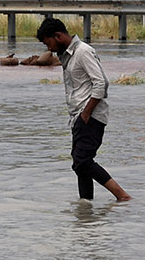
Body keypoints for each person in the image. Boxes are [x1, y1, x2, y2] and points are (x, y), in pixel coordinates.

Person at [38, 17, 130, 202]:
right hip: (78, 117)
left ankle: (122, 196)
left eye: (49, 43)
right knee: (80, 165)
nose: (49, 49)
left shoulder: (83, 52)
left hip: (91, 116)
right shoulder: (67, 55)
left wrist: (86, 113)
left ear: (58, 36)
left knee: (82, 161)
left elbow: (101, 83)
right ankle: (86, 206)